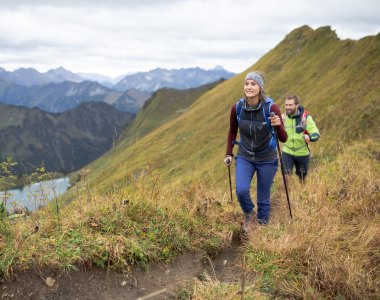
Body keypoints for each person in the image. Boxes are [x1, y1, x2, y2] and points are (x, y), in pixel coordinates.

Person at [224, 71, 287, 232]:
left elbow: (283, 138)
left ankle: (262, 229)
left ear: (260, 88)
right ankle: (249, 214)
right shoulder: (237, 107)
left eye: (253, 84)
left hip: (267, 158)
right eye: (247, 84)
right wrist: (229, 153)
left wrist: (278, 124)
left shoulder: (271, 108)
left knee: (263, 197)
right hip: (245, 156)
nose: (249, 87)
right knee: (241, 190)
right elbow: (232, 131)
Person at [282, 94, 320, 183]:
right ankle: (287, 195)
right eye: (286, 105)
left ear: (297, 105)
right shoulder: (283, 118)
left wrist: (309, 137)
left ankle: (301, 194)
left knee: (302, 178)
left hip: (302, 152)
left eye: (290, 105)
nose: (288, 107)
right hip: (287, 151)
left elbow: (316, 134)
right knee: (286, 176)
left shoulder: (306, 118)